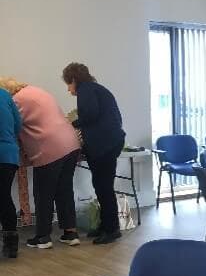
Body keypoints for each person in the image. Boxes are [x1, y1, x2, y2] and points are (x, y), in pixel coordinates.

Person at [0, 78, 81, 249]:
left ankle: (43, 237)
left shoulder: (16, 100)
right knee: (64, 190)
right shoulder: (37, 91)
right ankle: (70, 233)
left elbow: (15, 126)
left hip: (50, 147)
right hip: (71, 142)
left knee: (43, 192)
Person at [61, 63, 125, 244]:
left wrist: (70, 125)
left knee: (103, 186)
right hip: (110, 142)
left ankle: (112, 229)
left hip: (105, 145)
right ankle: (106, 225)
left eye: (68, 83)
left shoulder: (86, 90)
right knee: (101, 185)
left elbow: (90, 114)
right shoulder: (96, 89)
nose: (68, 89)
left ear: (74, 79)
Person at [0, 87, 22, 259]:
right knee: (4, 197)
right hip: (9, 154)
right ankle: (11, 244)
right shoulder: (5, 94)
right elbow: (18, 124)